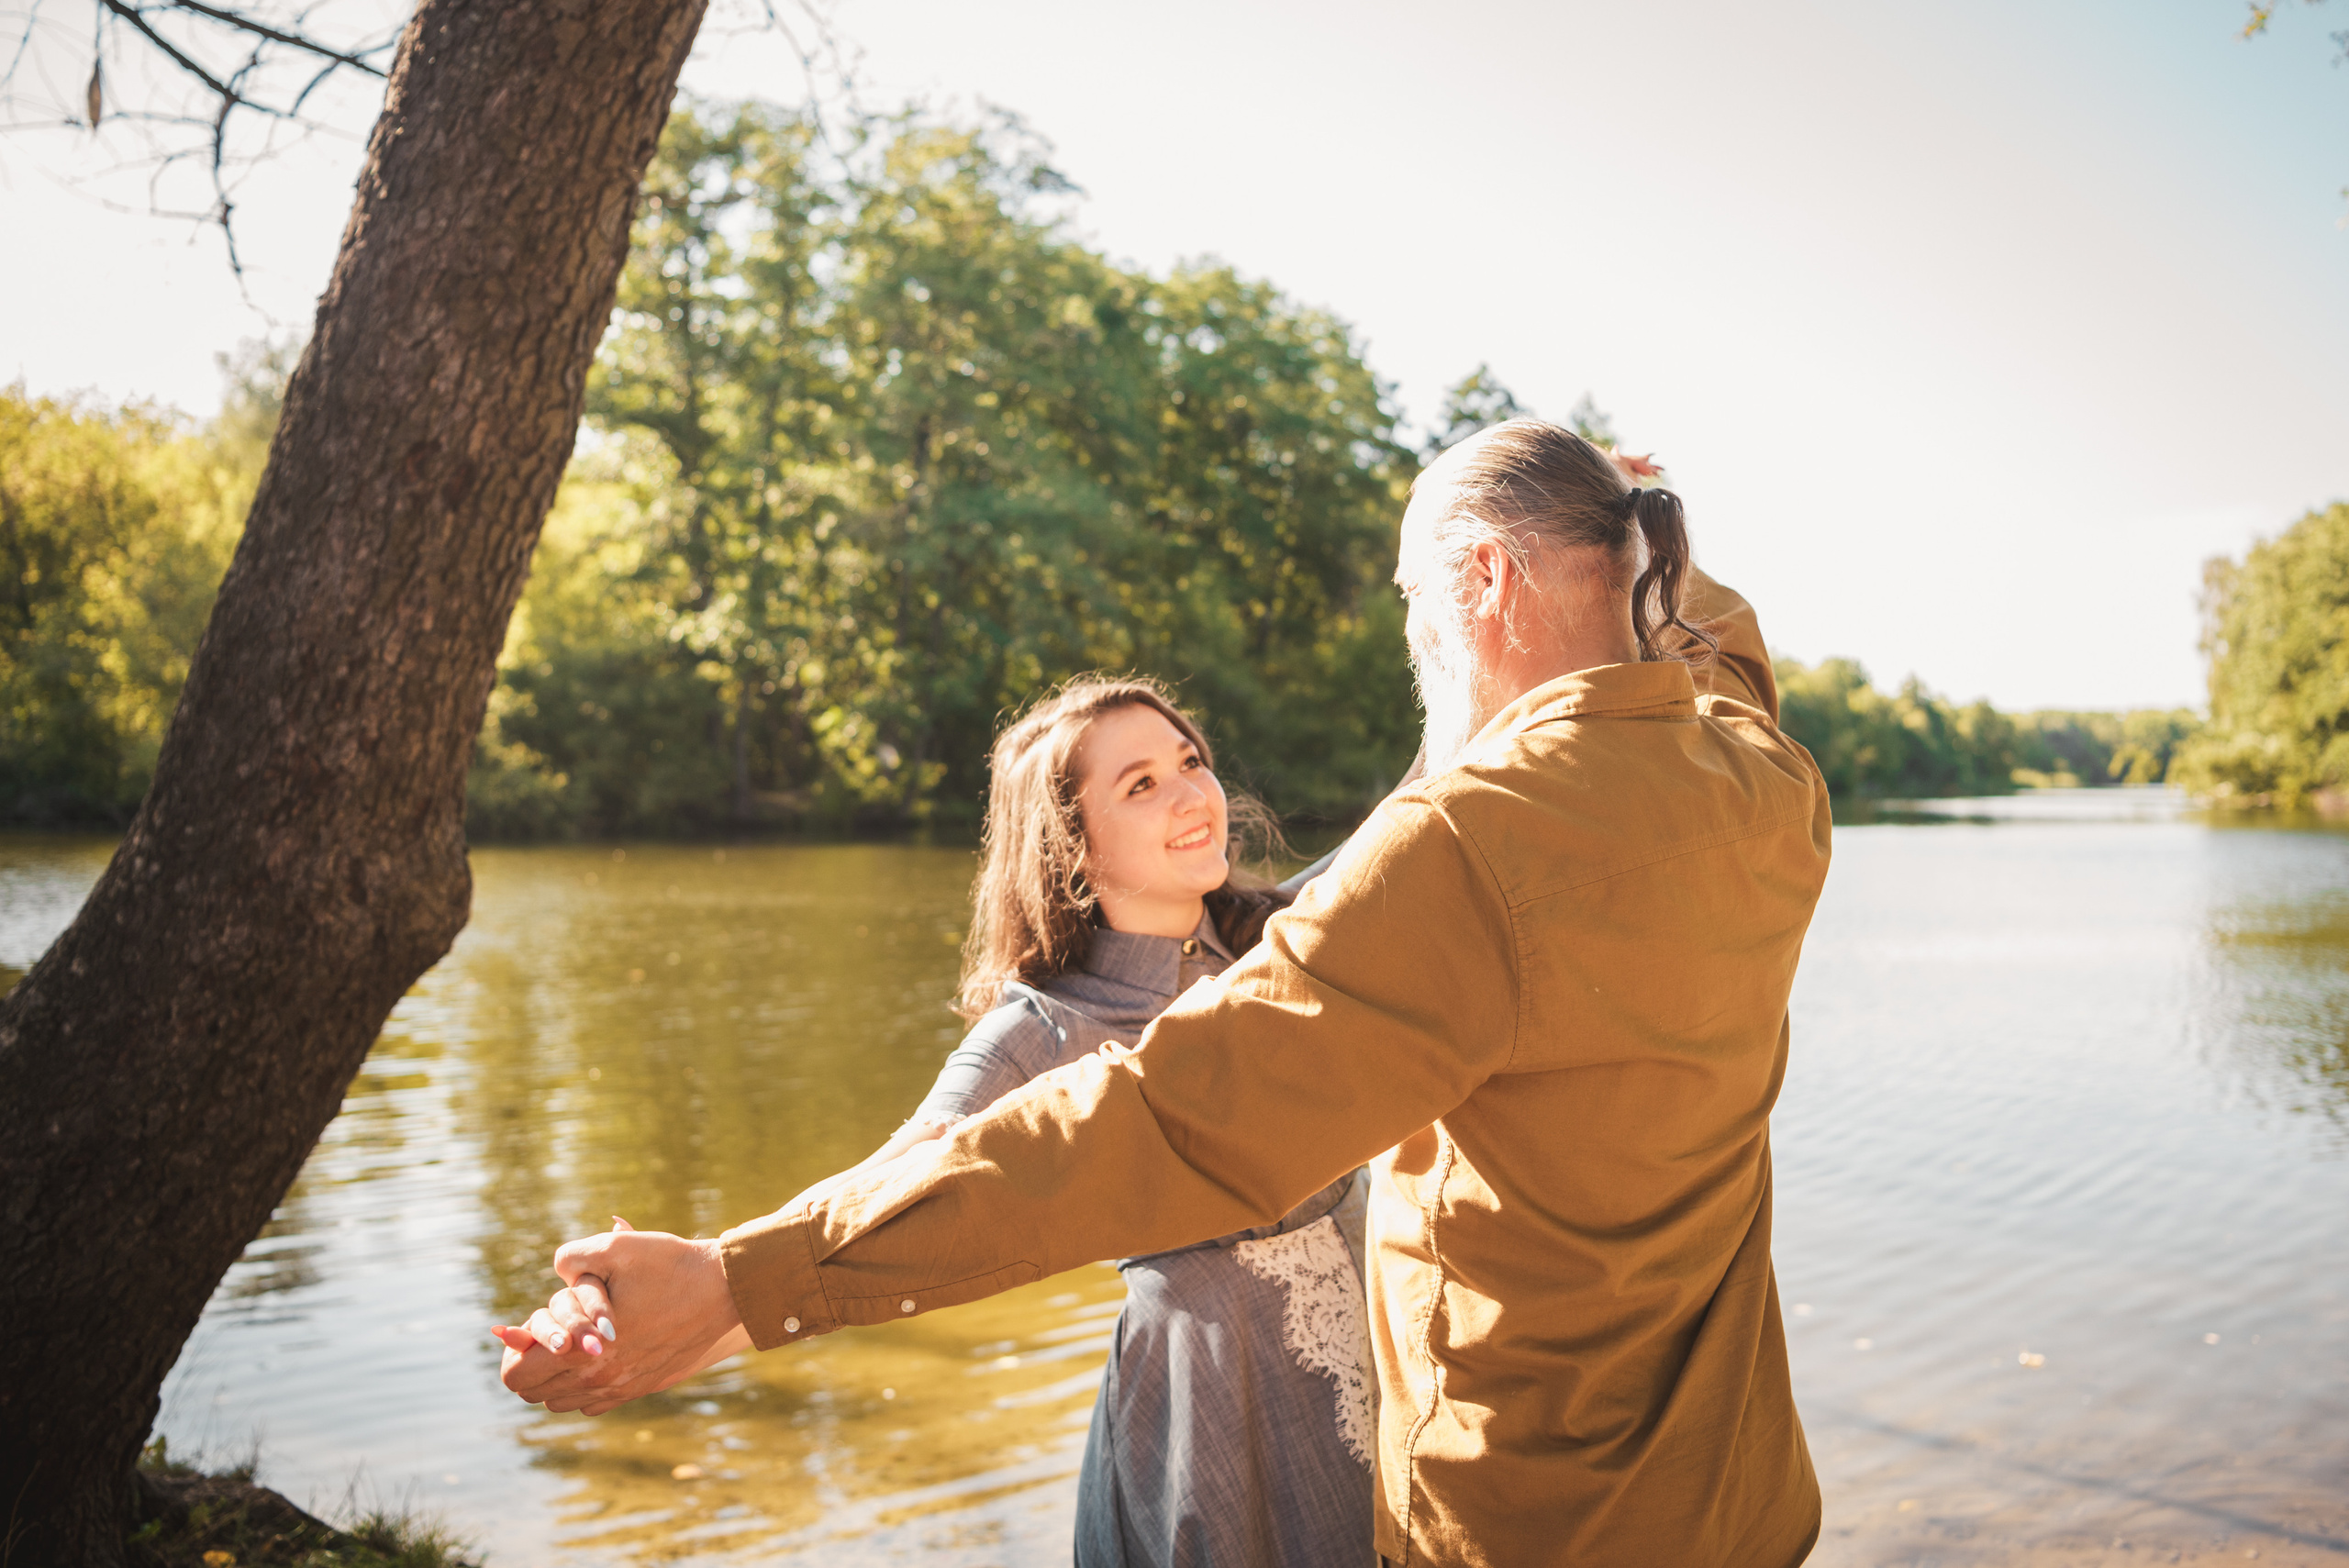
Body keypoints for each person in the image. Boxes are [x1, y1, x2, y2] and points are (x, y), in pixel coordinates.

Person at [500, 419, 1832, 1568]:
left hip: (1537, 1522)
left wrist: (750, 1275)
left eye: (1415, 601)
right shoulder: (1768, 788)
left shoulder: (1468, 845)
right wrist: (1657, 556)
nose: (1416, 636)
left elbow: (1164, 1121)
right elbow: (1726, 667)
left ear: (1484, 575)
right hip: (1743, 1502)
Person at [498, 677, 1379, 1566]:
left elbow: (1433, 794)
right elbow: (888, 1195)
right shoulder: (1041, 1031)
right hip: (1214, 1417)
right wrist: (666, 1316)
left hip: (1375, 1365)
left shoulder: (1288, 937)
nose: (1192, 793)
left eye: (1191, 761)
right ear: (1074, 851)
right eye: (1140, 784)